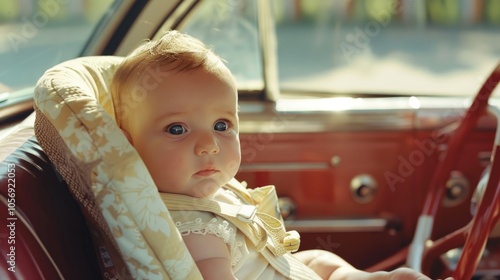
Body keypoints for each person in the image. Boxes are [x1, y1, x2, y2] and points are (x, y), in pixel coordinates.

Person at [111, 30, 452, 280]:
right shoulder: (192, 234)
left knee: (320, 259)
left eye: (221, 124)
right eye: (177, 129)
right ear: (128, 146)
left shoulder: (209, 191)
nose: (209, 145)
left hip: (283, 270)